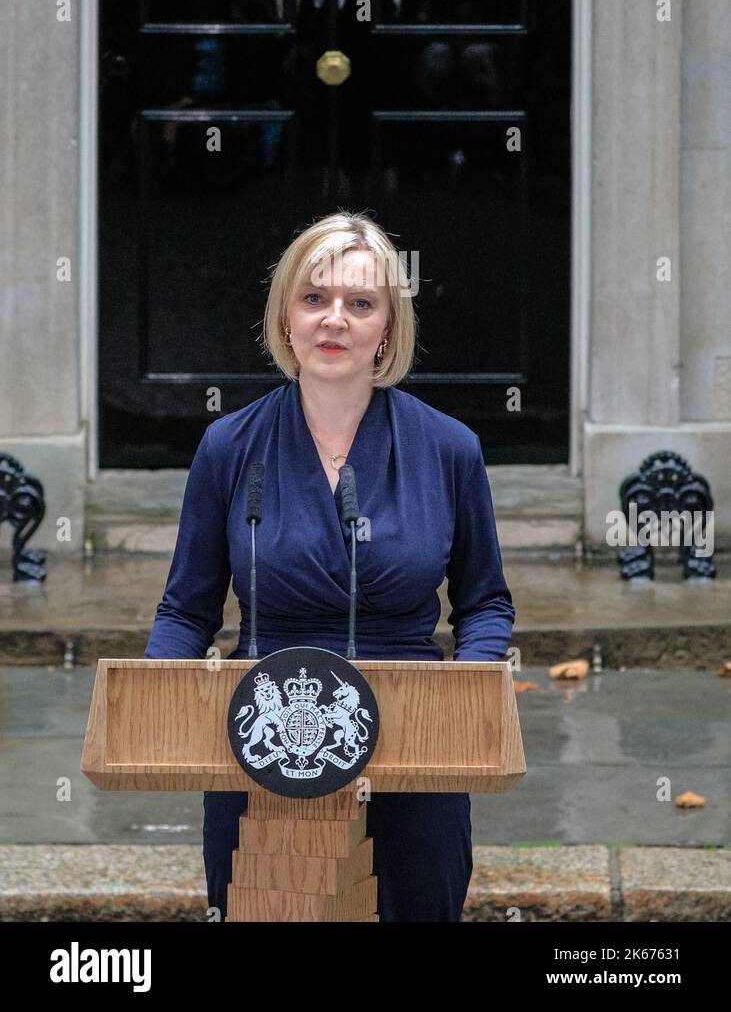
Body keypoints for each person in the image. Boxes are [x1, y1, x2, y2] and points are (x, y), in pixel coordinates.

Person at [144, 210, 515, 921]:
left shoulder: (449, 448)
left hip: (416, 741)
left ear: (386, 329)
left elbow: (485, 603)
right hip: (260, 735)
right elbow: (187, 610)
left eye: (360, 302)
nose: (333, 320)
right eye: (314, 298)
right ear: (286, 317)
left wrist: (469, 695)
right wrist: (152, 700)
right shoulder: (228, 446)